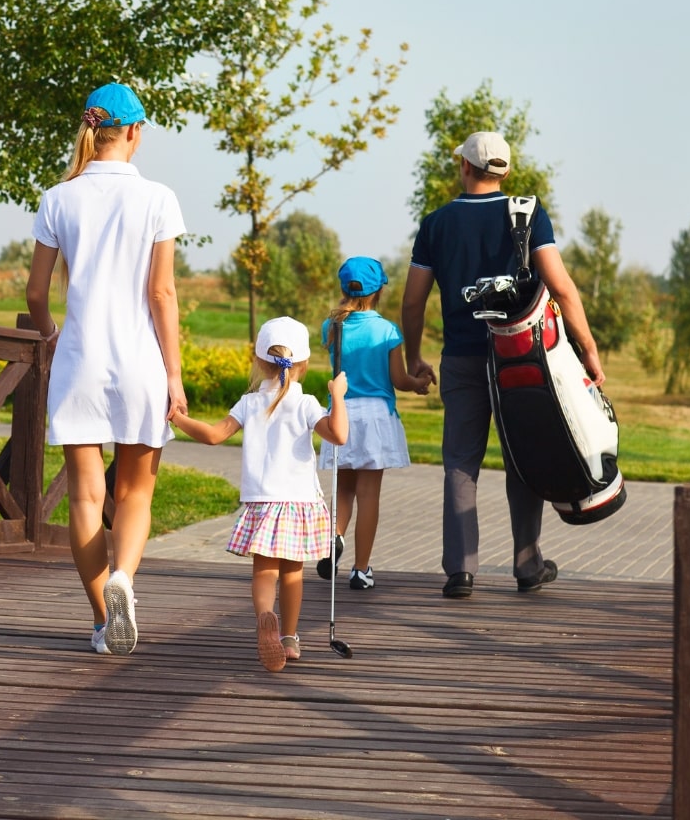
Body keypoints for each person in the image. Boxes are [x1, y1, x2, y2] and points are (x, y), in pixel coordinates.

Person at [401, 131, 606, 599]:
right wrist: (587, 346)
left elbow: (413, 303)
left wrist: (414, 357)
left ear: (465, 167)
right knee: (523, 455)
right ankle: (527, 563)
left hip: (461, 358)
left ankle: (460, 571)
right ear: (506, 172)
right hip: (520, 357)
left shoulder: (435, 224)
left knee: (459, 460)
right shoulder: (529, 214)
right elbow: (563, 288)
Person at [26, 82, 186, 656]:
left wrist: (51, 334)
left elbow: (36, 292)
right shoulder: (158, 198)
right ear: (136, 133)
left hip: (80, 362)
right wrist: (174, 375)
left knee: (85, 498)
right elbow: (161, 292)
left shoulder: (58, 198)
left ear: (93, 130)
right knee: (135, 493)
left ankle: (101, 621)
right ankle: (125, 580)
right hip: (141, 361)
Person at [170, 317, 348, 672]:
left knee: (264, 572)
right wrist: (338, 398)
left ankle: (267, 617)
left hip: (263, 503)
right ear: (303, 364)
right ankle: (290, 638)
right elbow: (339, 435)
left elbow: (213, 436)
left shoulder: (249, 402)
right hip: (298, 503)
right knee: (293, 574)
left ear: (259, 362)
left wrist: (177, 418)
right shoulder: (307, 403)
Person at [315, 256, 432, 590]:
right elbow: (398, 379)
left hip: (341, 412)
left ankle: (335, 537)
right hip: (375, 416)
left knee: (344, 489)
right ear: (379, 290)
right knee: (369, 495)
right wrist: (418, 382)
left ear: (343, 287)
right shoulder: (386, 331)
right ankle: (360, 569)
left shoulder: (331, 327)